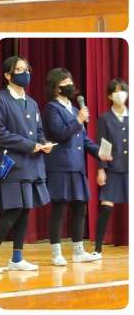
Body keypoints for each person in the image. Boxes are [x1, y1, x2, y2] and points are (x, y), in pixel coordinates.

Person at [43, 68, 112, 265]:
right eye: (65, 83)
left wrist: (99, 152)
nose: (70, 85)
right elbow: (59, 133)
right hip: (60, 166)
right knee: (59, 209)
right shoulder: (51, 108)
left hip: (77, 166)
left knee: (80, 208)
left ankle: (78, 251)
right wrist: (79, 120)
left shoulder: (74, 110)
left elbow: (84, 139)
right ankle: (56, 253)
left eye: (70, 81)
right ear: (56, 88)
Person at [0, 56, 53, 273]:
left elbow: (38, 130)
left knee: (25, 210)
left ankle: (17, 258)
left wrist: (44, 143)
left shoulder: (32, 102)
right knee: (12, 211)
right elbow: (0, 133)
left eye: (26, 69)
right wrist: (30, 145)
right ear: (7, 75)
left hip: (32, 165)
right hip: (13, 165)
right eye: (19, 70)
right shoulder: (0, 99)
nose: (25, 73)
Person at [92, 78, 128, 259]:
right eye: (116, 91)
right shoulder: (105, 118)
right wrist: (101, 169)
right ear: (110, 96)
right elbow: (103, 146)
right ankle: (97, 249)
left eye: (123, 90)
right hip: (113, 168)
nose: (121, 94)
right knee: (106, 208)